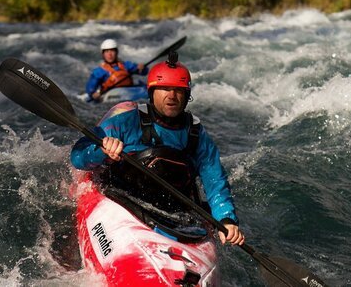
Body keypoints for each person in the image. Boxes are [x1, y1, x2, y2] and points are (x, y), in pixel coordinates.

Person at [71, 53, 245, 246]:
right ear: (152, 92)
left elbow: (215, 181)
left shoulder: (196, 135)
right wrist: (101, 150)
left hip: (173, 210)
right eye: (164, 89)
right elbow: (78, 157)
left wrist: (226, 219)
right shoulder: (126, 121)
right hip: (121, 199)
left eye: (178, 90)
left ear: (187, 96)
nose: (171, 96)